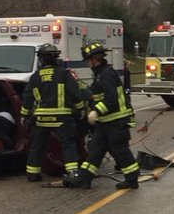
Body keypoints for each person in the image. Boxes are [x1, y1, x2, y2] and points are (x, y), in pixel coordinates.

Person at [20, 43, 90, 184]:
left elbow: (27, 97)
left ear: (41, 59)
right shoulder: (64, 74)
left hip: (41, 119)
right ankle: (72, 172)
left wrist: (24, 115)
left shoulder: (35, 76)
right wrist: (81, 109)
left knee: (38, 145)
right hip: (62, 117)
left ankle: (32, 174)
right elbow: (75, 93)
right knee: (68, 143)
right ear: (56, 57)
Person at [74, 42, 140, 190]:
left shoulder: (106, 74)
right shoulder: (100, 74)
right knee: (95, 150)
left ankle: (132, 179)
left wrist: (96, 111)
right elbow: (97, 94)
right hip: (105, 122)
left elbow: (111, 98)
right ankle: (85, 179)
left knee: (120, 151)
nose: (87, 63)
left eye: (88, 60)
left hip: (116, 121)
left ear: (94, 59)